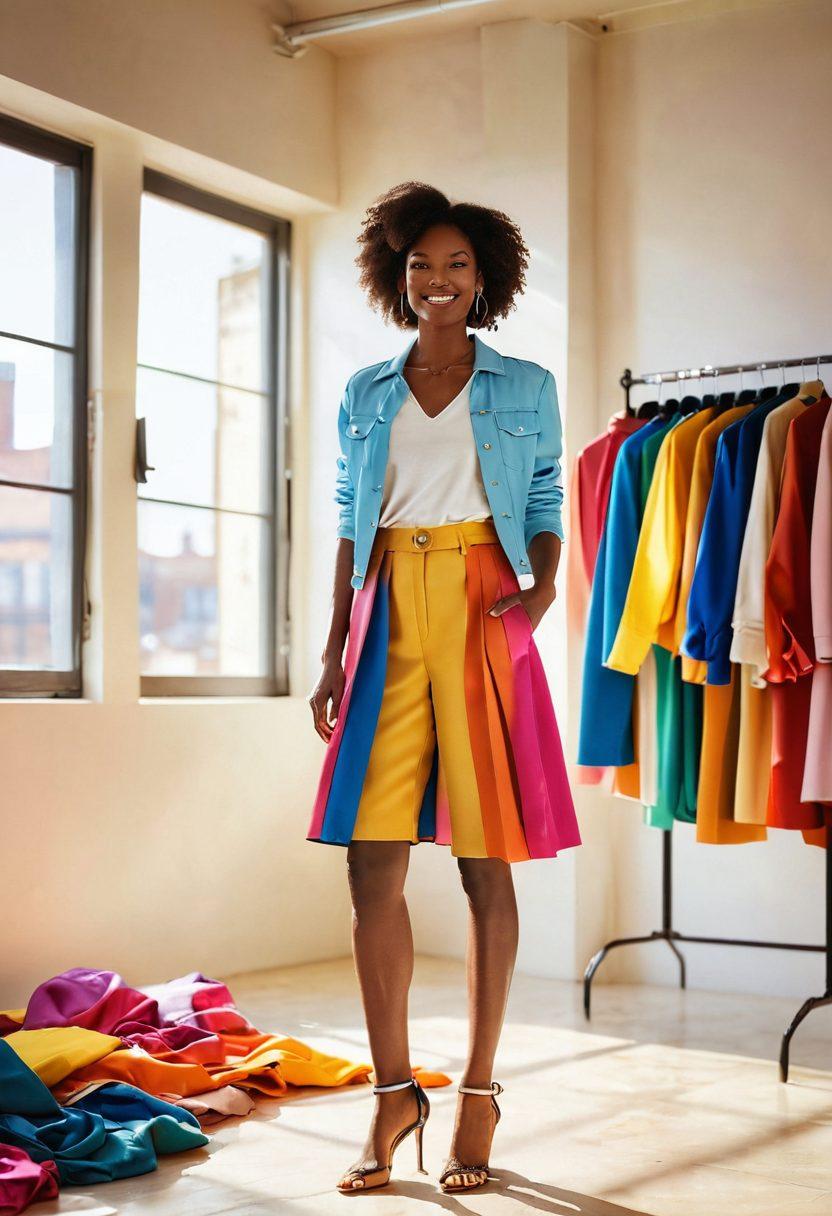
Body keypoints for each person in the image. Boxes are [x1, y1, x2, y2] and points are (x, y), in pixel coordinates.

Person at [306, 181, 581, 1194]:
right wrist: (336, 646)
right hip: (384, 605)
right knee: (369, 864)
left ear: (485, 279)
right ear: (397, 274)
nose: (439, 280)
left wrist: (542, 588)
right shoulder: (365, 392)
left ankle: (477, 1093)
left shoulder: (525, 384)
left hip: (478, 598)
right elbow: (348, 517)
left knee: (481, 858)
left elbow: (545, 493)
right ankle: (390, 1096)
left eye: (457, 265)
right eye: (421, 263)